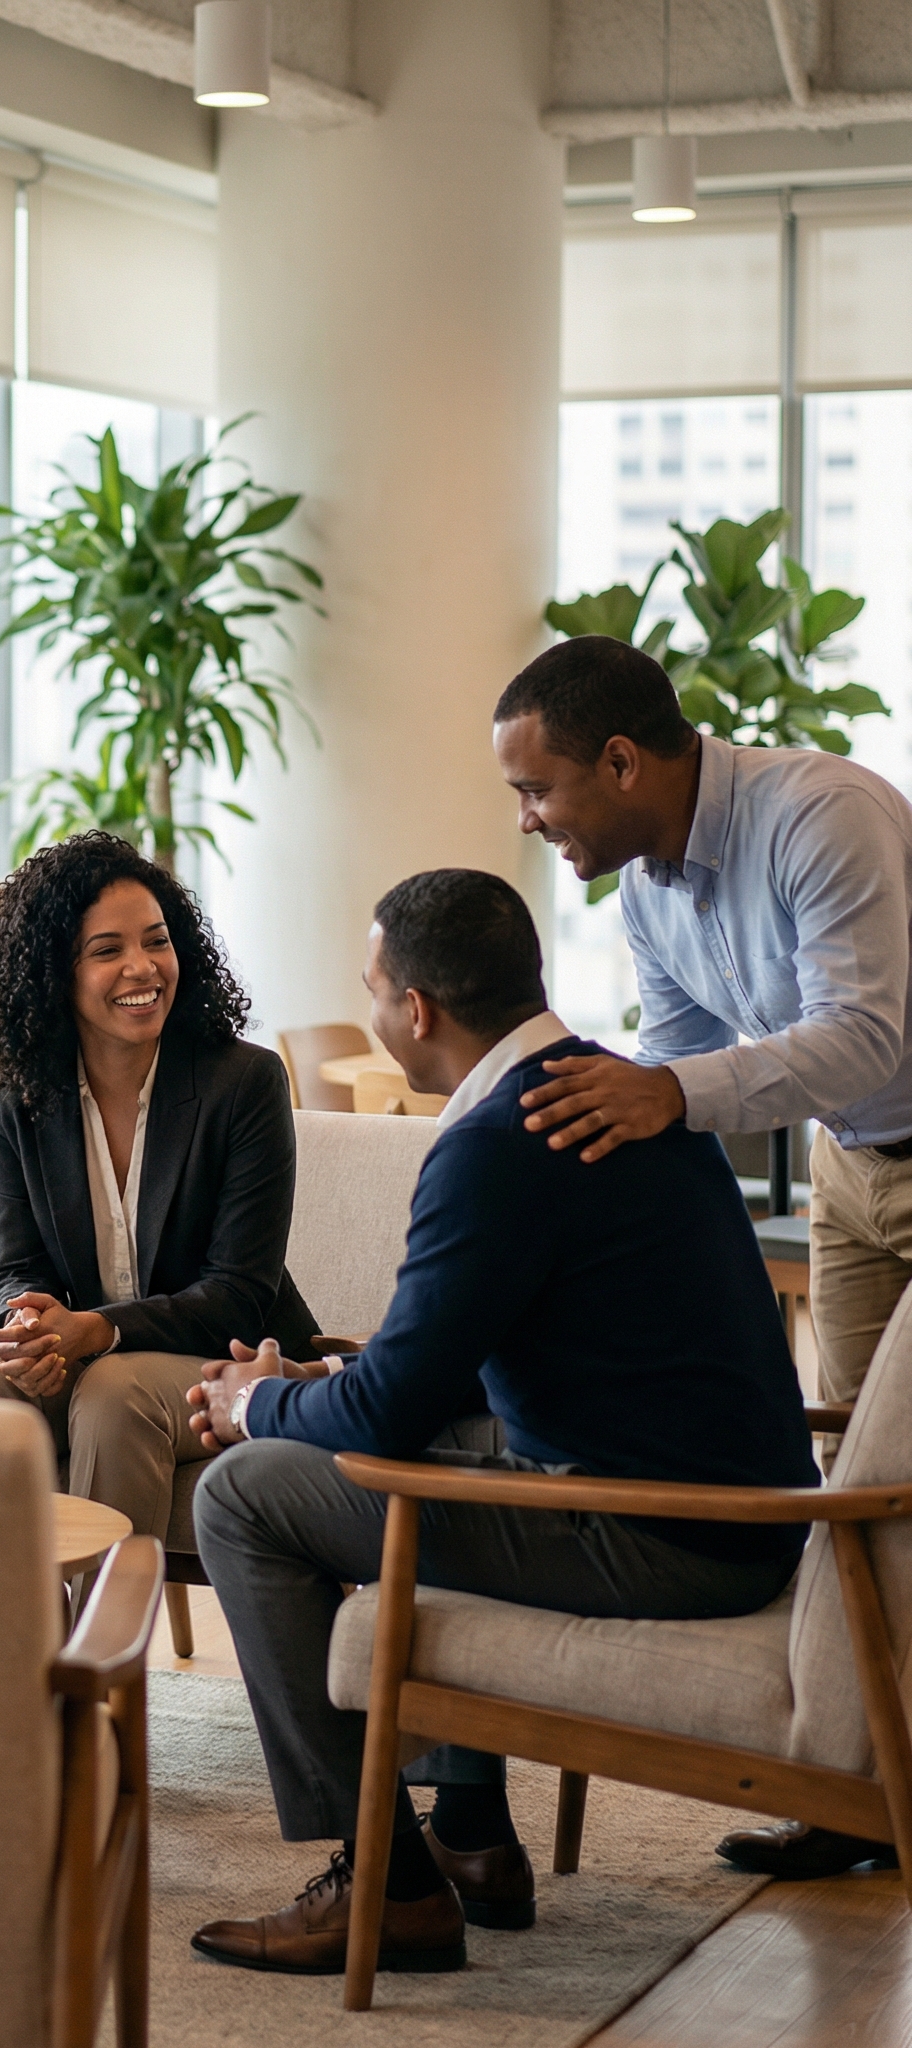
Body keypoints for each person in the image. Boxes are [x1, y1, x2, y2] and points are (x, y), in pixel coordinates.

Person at [184, 869, 815, 1976]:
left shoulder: (493, 1143)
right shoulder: (620, 1092)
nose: (373, 1011)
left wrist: (253, 1404)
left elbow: (385, 1414)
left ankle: (385, 1883)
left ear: (416, 1008)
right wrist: (320, 1377)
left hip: (659, 1531)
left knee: (242, 1492)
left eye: (372, 990)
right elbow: (457, 1363)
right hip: (732, 1509)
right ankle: (471, 1838)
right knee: (406, 1445)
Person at [496, 635, 912, 1878]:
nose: (527, 819)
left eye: (536, 789)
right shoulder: (646, 892)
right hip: (852, 1171)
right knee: (861, 1485)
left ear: (621, 761)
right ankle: (853, 1790)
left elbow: (860, 1036)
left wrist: (664, 1091)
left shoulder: (819, 815)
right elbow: (670, 1068)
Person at [0, 831, 317, 1543]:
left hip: (227, 1362)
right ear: (54, 973)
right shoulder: (15, 1095)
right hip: (88, 1355)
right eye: (107, 950)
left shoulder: (243, 1083)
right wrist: (25, 1331)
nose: (142, 967)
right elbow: (15, 1266)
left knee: (117, 1396)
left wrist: (97, 1330)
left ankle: (106, 1618)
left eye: (157, 941)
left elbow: (237, 1293)